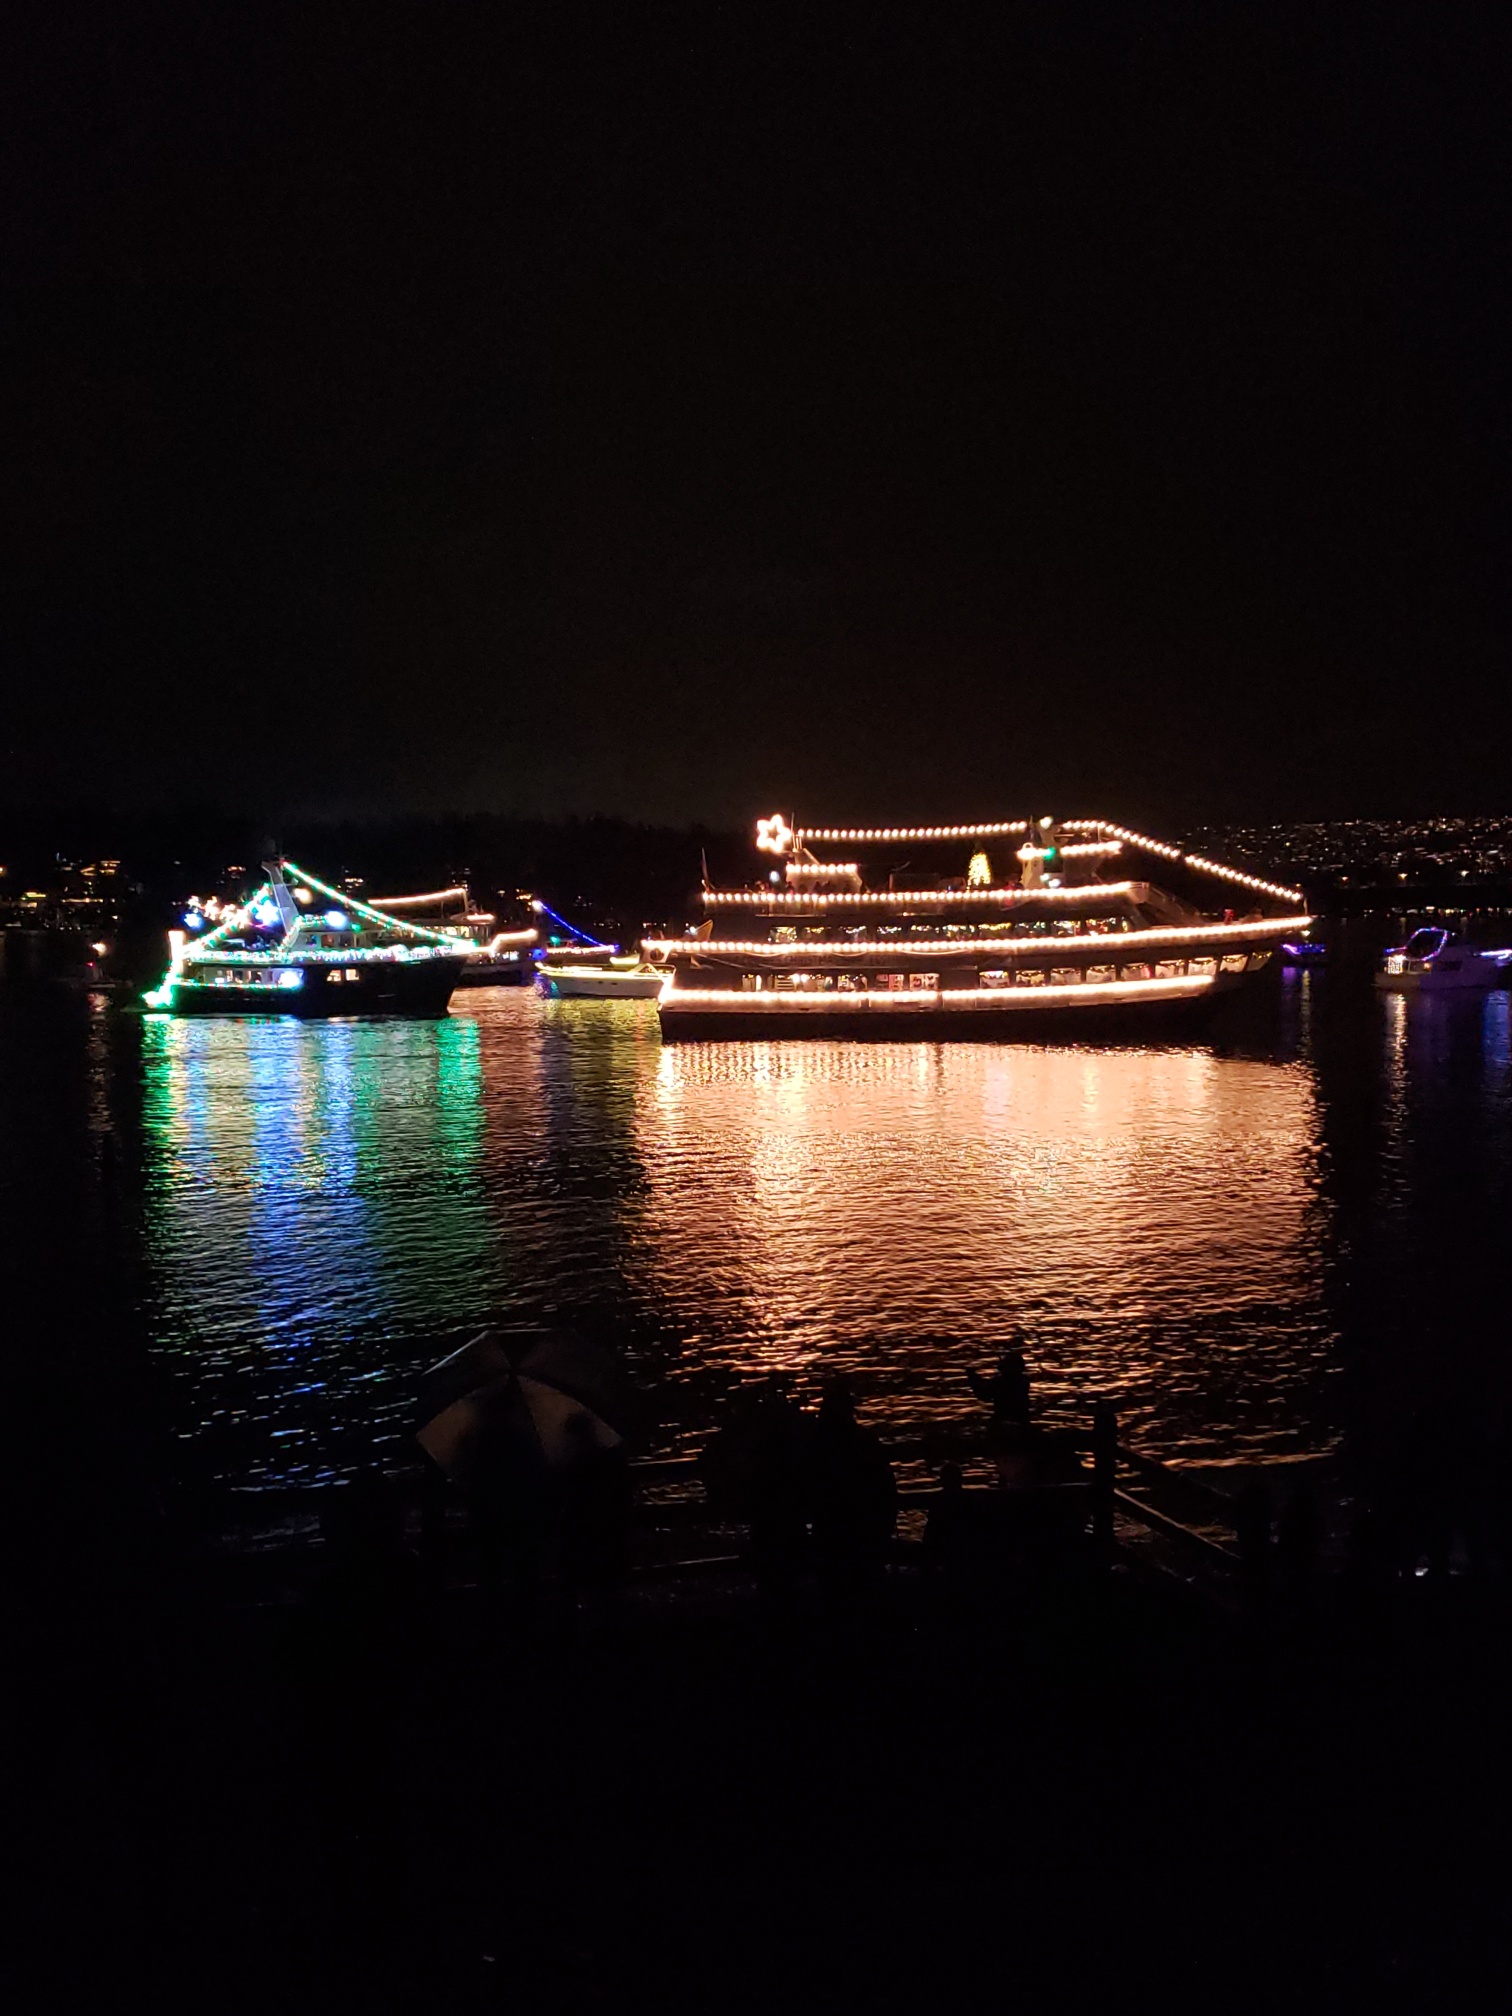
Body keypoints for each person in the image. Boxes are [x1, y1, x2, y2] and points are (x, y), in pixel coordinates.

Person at [809, 1377, 897, 1601]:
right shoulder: (865, 1442)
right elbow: (887, 1487)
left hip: (837, 1533)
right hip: (865, 1531)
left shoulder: (820, 1446)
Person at [967, 1346, 1032, 1426]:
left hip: (1002, 1420)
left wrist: (973, 1379)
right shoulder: (1023, 1381)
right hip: (1022, 1419)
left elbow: (984, 1394)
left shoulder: (999, 1382)